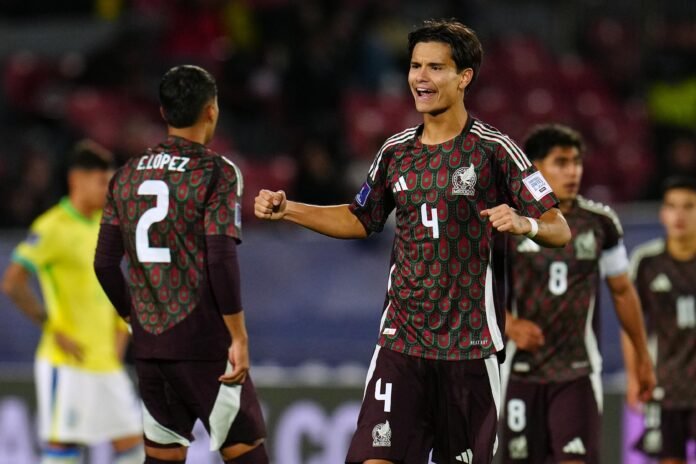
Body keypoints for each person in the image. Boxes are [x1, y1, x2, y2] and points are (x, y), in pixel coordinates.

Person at [255, 19, 571, 464]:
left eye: (435, 67)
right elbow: (360, 218)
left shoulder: (495, 150)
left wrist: (526, 224)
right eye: (415, 66)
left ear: (464, 77)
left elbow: (559, 226)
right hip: (401, 342)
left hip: (469, 348)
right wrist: (289, 209)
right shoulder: (395, 152)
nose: (421, 77)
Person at [93, 65, 267, 464]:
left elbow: (104, 265)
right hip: (203, 343)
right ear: (211, 110)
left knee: (163, 457)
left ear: (163, 112)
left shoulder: (125, 175)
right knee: (245, 453)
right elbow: (220, 257)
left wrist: (134, 316)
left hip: (151, 348)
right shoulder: (217, 172)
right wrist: (238, 336)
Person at [500, 124, 656, 464]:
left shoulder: (600, 223)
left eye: (577, 162)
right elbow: (475, 288)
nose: (573, 172)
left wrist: (643, 358)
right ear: (535, 169)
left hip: (577, 371)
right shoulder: (512, 222)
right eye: (561, 162)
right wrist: (509, 324)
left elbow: (623, 292)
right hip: (520, 370)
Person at [1, 140, 144, 464]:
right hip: (68, 363)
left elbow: (116, 284)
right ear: (77, 180)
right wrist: (51, 326)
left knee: (135, 450)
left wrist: (121, 333)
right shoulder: (52, 227)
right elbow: (12, 282)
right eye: (102, 182)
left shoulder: (109, 225)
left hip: (107, 362)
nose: (109, 191)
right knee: (64, 451)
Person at [627, 176, 696, 464]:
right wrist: (634, 377)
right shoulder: (647, 262)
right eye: (672, 206)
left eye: (689, 206)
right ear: (662, 213)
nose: (680, 215)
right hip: (664, 385)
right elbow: (632, 325)